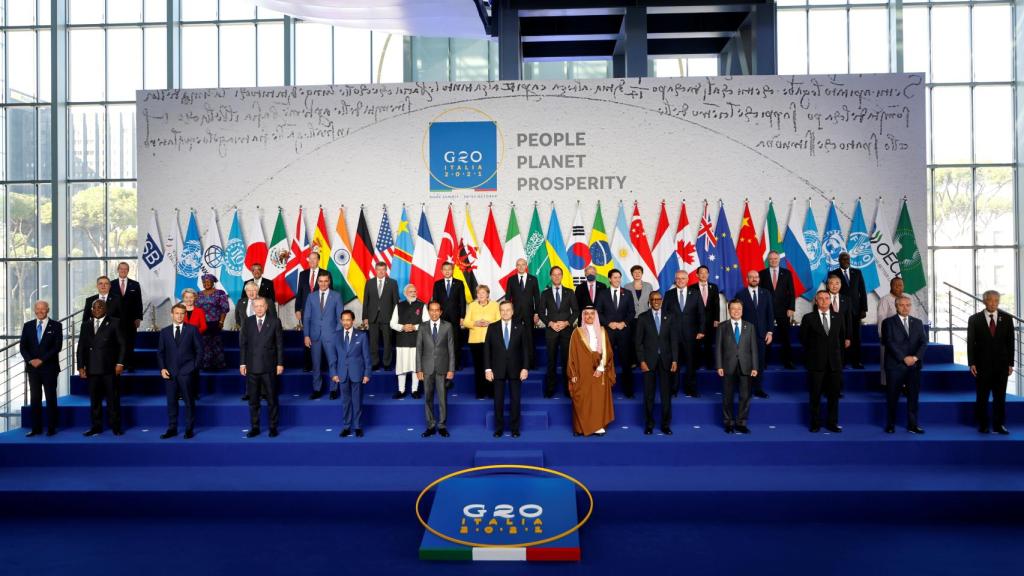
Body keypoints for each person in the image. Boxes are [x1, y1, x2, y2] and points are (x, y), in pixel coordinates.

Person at [967, 290, 1015, 434]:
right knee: (982, 396)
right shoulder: (974, 319)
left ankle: (999, 425)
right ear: (984, 301)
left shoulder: (1007, 318)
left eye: (996, 300)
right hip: (982, 365)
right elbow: (970, 343)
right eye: (990, 300)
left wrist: (1010, 364)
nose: (993, 303)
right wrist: (972, 363)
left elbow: (1010, 342)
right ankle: (983, 424)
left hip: (1002, 365)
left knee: (1000, 397)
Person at [77, 299, 126, 436]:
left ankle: (115, 426)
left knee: (112, 399)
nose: (97, 309)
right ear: (91, 310)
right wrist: (81, 366)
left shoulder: (115, 322)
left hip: (109, 368)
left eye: (100, 307)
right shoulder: (85, 325)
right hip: (92, 368)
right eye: (95, 308)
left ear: (105, 309)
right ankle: (96, 427)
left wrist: (120, 363)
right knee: (95, 400)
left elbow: (122, 344)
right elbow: (81, 347)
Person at [800, 290, 846, 433]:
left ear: (830, 301)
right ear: (816, 300)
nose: (824, 301)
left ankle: (832, 423)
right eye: (821, 298)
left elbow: (841, 339)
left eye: (827, 298)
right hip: (816, 363)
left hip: (834, 363)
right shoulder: (808, 318)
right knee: (815, 395)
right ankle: (815, 423)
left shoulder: (838, 317)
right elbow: (803, 339)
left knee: (833, 395)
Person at [880, 296, 927, 434]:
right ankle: (890, 424)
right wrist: (903, 358)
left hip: (914, 366)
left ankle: (912, 425)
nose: (905, 307)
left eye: (908, 305)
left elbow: (923, 343)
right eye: (902, 305)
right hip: (895, 366)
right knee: (892, 397)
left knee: (913, 398)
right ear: (896, 306)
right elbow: (888, 342)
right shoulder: (888, 322)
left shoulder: (918, 322)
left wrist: (915, 357)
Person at [568, 306, 616, 437]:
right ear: (583, 316)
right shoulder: (576, 332)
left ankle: (598, 426)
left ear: (596, 316)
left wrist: (601, 368)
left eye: (592, 314)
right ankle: (581, 427)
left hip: (599, 370)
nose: (589, 316)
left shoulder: (602, 331)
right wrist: (573, 374)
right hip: (582, 371)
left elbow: (607, 351)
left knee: (598, 399)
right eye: (586, 314)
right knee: (582, 397)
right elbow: (572, 355)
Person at [157, 304, 203, 439]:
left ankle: (189, 429)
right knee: (171, 402)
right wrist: (162, 368)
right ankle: (172, 428)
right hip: (169, 373)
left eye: (182, 313)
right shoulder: (164, 332)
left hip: (187, 372)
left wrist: (193, 367)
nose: (179, 316)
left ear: (185, 315)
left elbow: (199, 350)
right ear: (172, 314)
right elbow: (160, 352)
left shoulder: (192, 330)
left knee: (189, 401)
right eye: (177, 313)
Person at [239, 297, 284, 438]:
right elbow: (244, 344)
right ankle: (255, 427)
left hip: (269, 367)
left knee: (272, 399)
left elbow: (279, 345)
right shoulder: (248, 321)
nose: (259, 308)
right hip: (252, 367)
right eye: (256, 306)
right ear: (253, 307)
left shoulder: (275, 321)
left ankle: (273, 427)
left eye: (261, 306)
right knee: (253, 401)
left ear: (266, 307)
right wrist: (242, 363)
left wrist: (280, 363)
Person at [484, 301, 530, 438]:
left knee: (515, 401)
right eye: (502, 310)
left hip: (516, 370)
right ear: (500, 311)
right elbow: (487, 350)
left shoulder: (520, 327)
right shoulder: (492, 327)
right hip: (497, 369)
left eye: (508, 310)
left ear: (512, 311)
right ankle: (499, 429)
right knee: (498, 401)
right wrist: (487, 369)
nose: (505, 312)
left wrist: (525, 368)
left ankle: (515, 429)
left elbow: (525, 350)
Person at [634, 292, 677, 435]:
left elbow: (674, 341)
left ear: (662, 301)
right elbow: (638, 343)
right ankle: (649, 424)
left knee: (666, 395)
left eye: (658, 299)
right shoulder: (642, 318)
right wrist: (641, 361)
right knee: (648, 396)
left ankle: (665, 425)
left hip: (666, 361)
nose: (656, 301)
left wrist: (675, 360)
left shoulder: (670, 317)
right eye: (653, 299)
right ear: (649, 301)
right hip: (648, 362)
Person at [20, 300, 63, 437]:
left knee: (50, 398)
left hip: (49, 368)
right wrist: (31, 360)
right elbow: (23, 347)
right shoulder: (27, 326)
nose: (40, 311)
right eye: (37, 309)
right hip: (33, 369)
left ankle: (51, 427)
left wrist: (42, 360)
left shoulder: (56, 326)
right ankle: (36, 428)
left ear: (48, 309)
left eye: (43, 309)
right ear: (34, 310)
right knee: (35, 398)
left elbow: (57, 347)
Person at [716, 299, 758, 434]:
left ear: (742, 310)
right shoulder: (722, 327)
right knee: (727, 396)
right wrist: (719, 366)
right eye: (733, 309)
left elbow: (754, 349)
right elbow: (718, 349)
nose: (736, 311)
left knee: (745, 396)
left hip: (746, 366)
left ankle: (741, 423)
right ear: (729, 311)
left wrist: (755, 367)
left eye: (739, 309)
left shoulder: (750, 326)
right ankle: (728, 423)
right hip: (727, 366)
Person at [663, 269, 705, 397]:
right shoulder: (669, 294)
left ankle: (690, 389)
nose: (680, 280)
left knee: (691, 363)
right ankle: (673, 389)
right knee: (673, 362)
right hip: (673, 336)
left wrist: (701, 330)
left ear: (687, 280)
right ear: (675, 280)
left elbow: (701, 313)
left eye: (683, 278)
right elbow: (664, 314)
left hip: (691, 335)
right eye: (678, 278)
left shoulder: (696, 293)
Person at [417, 302, 455, 438]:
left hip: (442, 368)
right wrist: (418, 369)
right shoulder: (422, 327)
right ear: (428, 311)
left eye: (436, 310)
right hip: (426, 368)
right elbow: (419, 349)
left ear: (441, 312)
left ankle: (442, 426)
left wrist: (451, 369)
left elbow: (451, 348)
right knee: (428, 398)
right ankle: (431, 426)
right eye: (431, 310)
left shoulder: (448, 326)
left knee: (442, 399)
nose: (434, 313)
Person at [539, 266, 579, 398]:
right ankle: (550, 389)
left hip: (567, 331)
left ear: (562, 276)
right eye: (554, 275)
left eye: (559, 274)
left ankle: (568, 389)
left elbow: (576, 311)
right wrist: (550, 323)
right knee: (551, 361)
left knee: (567, 361)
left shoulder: (570, 292)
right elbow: (540, 312)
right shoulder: (545, 293)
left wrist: (567, 322)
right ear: (551, 277)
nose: (556, 277)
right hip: (551, 331)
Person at [596, 269, 636, 397]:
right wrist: (609, 323)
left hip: (624, 332)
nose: (617, 280)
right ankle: (605, 389)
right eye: (615, 277)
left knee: (626, 362)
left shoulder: (628, 294)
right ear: (609, 279)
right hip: (608, 332)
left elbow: (632, 312)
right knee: (606, 361)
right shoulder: (602, 294)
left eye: (619, 277)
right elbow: (598, 312)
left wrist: (623, 323)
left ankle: (628, 390)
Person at [735, 270, 773, 399]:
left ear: (759, 279)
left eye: (756, 277)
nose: (754, 279)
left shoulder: (766, 293)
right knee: (745, 363)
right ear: (747, 279)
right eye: (751, 277)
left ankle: (758, 389)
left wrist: (770, 332)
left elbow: (770, 314)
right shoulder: (740, 294)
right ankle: (746, 390)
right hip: (745, 335)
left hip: (762, 335)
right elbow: (737, 315)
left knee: (760, 363)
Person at [304, 273, 342, 400]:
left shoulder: (336, 296)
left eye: (326, 281)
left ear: (329, 281)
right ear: (317, 282)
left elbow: (340, 318)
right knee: (316, 365)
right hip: (314, 336)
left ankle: (334, 389)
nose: (323, 283)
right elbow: (307, 317)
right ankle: (317, 389)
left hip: (331, 336)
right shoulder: (311, 296)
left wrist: (337, 334)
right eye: (321, 281)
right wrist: (306, 335)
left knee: (333, 363)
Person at [332, 310, 371, 438]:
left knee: (357, 401)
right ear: (341, 321)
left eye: (348, 320)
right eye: (344, 320)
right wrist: (333, 373)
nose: (346, 322)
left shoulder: (361, 336)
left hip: (357, 373)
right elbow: (333, 357)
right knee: (345, 402)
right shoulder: (336, 336)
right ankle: (346, 426)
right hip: (342, 374)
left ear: (353, 320)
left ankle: (358, 426)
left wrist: (367, 374)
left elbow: (366, 357)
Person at [389, 283, 429, 399]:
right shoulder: (399, 305)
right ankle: (401, 390)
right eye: (411, 292)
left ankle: (414, 390)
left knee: (415, 366)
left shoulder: (422, 305)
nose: (413, 293)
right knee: (402, 366)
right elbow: (392, 323)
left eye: (414, 291)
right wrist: (402, 327)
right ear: (405, 293)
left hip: (417, 340)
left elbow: (426, 323)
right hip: (402, 341)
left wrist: (414, 327)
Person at [462, 285, 500, 399]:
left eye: (483, 293)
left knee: (492, 367)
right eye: (479, 293)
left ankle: (492, 392)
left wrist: (489, 323)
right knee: (479, 367)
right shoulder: (472, 305)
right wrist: (476, 323)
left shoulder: (495, 305)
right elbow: (465, 322)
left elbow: (499, 320)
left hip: (491, 340)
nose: (481, 295)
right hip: (475, 341)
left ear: (488, 294)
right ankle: (480, 392)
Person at [760, 251, 796, 369]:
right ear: (768, 260)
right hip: (766, 310)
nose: (773, 261)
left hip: (783, 310)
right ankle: (763, 362)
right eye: (771, 259)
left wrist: (791, 307)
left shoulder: (787, 273)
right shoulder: (762, 274)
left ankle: (788, 361)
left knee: (785, 337)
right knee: (765, 337)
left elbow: (791, 292)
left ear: (779, 259)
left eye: (775, 259)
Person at [831, 252, 867, 368]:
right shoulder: (833, 274)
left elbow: (862, 291)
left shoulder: (857, 272)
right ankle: (843, 361)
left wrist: (864, 308)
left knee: (856, 336)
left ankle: (856, 361)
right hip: (841, 310)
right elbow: (832, 290)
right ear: (839, 260)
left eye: (848, 259)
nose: (846, 261)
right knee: (842, 336)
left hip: (856, 311)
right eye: (844, 259)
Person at [363, 262, 399, 370]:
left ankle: (387, 364)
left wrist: (395, 318)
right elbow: (366, 301)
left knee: (387, 342)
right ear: (375, 270)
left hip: (387, 317)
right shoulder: (369, 283)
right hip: (372, 317)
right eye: (379, 269)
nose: (381, 272)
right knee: (373, 342)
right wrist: (365, 317)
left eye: (383, 269)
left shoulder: (392, 283)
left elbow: (395, 302)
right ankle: (375, 363)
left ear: (386, 270)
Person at [505, 258, 541, 367]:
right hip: (515, 315)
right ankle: (517, 364)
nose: (521, 267)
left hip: (529, 314)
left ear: (526, 266)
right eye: (518, 265)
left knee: (529, 339)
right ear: (516, 266)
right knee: (515, 339)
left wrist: (536, 313)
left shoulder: (533, 279)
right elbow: (508, 298)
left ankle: (530, 364)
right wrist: (508, 314)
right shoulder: (511, 280)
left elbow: (537, 298)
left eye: (523, 264)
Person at [433, 262, 467, 370]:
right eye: (445, 269)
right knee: (441, 342)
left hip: (455, 317)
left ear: (452, 270)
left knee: (456, 342)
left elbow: (462, 301)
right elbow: (435, 301)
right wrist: (435, 316)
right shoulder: (437, 284)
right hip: (441, 317)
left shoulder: (459, 283)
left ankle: (456, 365)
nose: (447, 271)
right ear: (442, 271)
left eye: (449, 269)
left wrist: (462, 316)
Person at [295, 251, 325, 372]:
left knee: (319, 337)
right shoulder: (303, 274)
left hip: (321, 311)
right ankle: (308, 364)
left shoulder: (325, 273)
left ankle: (320, 365)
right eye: (310, 259)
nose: (312, 261)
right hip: (306, 311)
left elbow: (330, 292)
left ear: (318, 260)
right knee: (307, 337)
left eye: (314, 259)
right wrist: (297, 309)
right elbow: (300, 293)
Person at [109, 262, 143, 370]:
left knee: (129, 342)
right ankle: (117, 363)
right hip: (115, 320)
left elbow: (139, 302)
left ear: (128, 271)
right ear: (118, 270)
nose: (123, 271)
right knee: (116, 342)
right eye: (121, 269)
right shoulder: (111, 284)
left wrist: (138, 318)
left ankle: (129, 364)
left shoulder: (135, 284)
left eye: (125, 269)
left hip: (131, 320)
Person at [825, 275, 853, 393]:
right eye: (831, 283)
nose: (834, 286)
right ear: (827, 285)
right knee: (826, 364)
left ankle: (837, 389)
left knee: (839, 364)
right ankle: (826, 388)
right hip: (826, 337)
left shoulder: (846, 299)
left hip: (841, 337)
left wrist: (848, 337)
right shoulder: (822, 298)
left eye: (837, 283)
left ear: (841, 285)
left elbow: (849, 320)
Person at [196, 274, 230, 370]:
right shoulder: (198, 294)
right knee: (204, 344)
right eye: (204, 282)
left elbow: (225, 308)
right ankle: (206, 365)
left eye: (208, 282)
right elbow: (196, 310)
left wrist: (221, 322)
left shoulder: (220, 293)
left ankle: (219, 365)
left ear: (213, 282)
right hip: (202, 323)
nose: (206, 284)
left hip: (215, 322)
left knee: (216, 344)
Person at [876, 277, 905, 388]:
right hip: (890, 337)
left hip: (905, 338)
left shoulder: (907, 298)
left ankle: (903, 385)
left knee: (903, 362)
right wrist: (882, 336)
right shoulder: (885, 300)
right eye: (896, 285)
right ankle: (886, 384)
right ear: (891, 286)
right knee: (887, 362)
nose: (899, 287)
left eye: (901, 285)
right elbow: (881, 318)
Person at [179, 288, 208, 400]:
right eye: (186, 297)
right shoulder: (179, 310)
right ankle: (182, 393)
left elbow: (204, 326)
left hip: (196, 344)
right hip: (181, 344)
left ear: (195, 298)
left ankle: (194, 393)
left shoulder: (199, 311)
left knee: (195, 370)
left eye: (191, 297)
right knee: (182, 370)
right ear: (183, 298)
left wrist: (193, 334)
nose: (189, 299)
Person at [691, 265, 720, 369]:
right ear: (697, 274)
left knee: (709, 343)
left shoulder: (714, 287)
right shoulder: (692, 288)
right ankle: (697, 364)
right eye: (701, 273)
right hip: (696, 321)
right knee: (697, 344)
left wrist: (717, 319)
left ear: (708, 274)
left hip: (711, 320)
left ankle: (709, 364)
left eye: (705, 273)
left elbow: (717, 304)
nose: (703, 275)